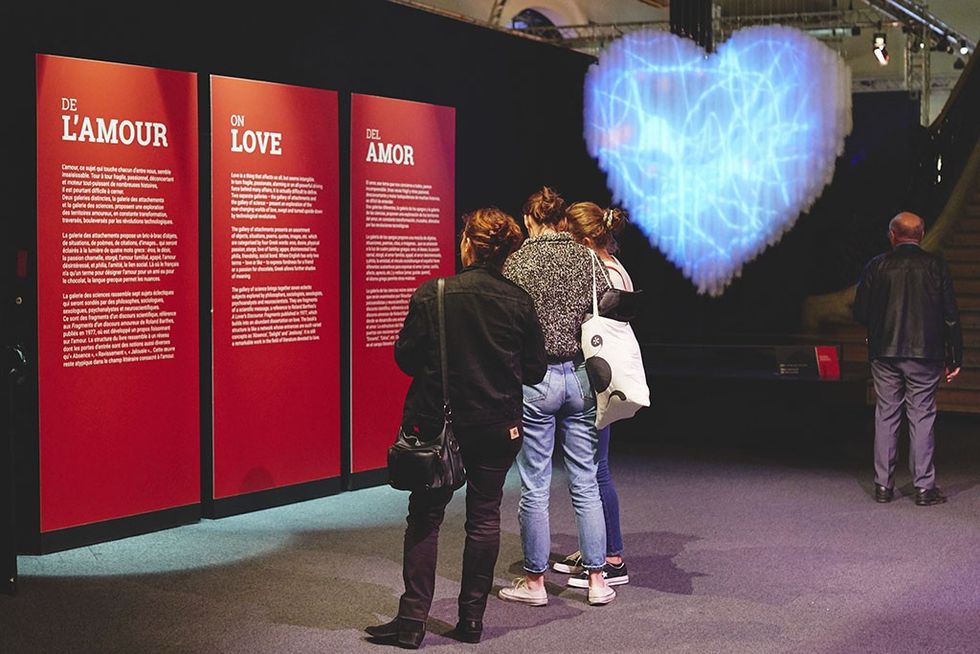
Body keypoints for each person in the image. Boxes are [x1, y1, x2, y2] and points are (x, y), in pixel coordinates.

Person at [366, 208, 546, 648]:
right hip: (497, 426)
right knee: (484, 519)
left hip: (436, 426)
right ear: (508, 252)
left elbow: (406, 358)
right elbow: (536, 371)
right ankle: (471, 622)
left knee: (425, 518)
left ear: (467, 243)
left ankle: (411, 622)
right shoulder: (519, 301)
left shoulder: (434, 294)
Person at [497, 186, 616, 607]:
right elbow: (608, 305)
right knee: (585, 480)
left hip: (535, 379)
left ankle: (535, 584)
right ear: (562, 220)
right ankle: (598, 580)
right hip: (582, 377)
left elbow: (504, 321)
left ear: (530, 220)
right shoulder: (585, 258)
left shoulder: (517, 261)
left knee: (535, 485)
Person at [853, 211, 962, 507]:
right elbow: (950, 315)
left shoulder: (876, 266)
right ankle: (924, 488)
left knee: (886, 415)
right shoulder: (936, 266)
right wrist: (955, 357)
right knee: (922, 416)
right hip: (926, 354)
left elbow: (860, 313)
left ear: (892, 235)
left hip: (884, 352)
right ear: (922, 234)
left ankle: (883, 487)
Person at [553, 201, 633, 589]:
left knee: (596, 468)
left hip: (601, 379)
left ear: (584, 239)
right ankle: (597, 549)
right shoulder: (612, 269)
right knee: (593, 466)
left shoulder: (605, 274)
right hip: (603, 377)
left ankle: (611, 557)